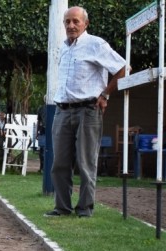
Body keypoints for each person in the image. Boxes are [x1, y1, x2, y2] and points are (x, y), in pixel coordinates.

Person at [44, 6, 126, 218]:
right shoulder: (63, 47)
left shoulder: (95, 44)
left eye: (75, 21)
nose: (71, 25)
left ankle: (85, 209)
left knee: (86, 161)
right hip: (62, 110)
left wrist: (105, 94)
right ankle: (62, 208)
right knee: (59, 163)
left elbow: (123, 69)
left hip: (88, 110)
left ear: (85, 24)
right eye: (67, 22)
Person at [36, 95, 47, 173]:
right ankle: (42, 167)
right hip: (43, 131)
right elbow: (38, 121)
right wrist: (37, 132)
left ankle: (47, 168)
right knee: (42, 149)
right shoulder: (41, 108)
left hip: (52, 132)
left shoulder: (56, 108)